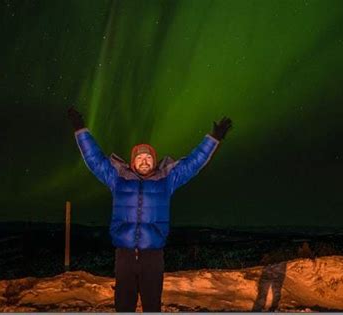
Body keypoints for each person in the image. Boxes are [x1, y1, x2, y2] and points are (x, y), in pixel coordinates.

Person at [67, 106, 232, 312]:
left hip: (153, 256)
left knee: (152, 306)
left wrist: (214, 138)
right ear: (132, 161)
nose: (144, 161)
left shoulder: (166, 179)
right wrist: (80, 129)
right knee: (123, 306)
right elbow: (94, 159)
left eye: (148, 158)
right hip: (124, 256)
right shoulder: (118, 179)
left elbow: (193, 163)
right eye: (139, 158)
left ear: (154, 161)